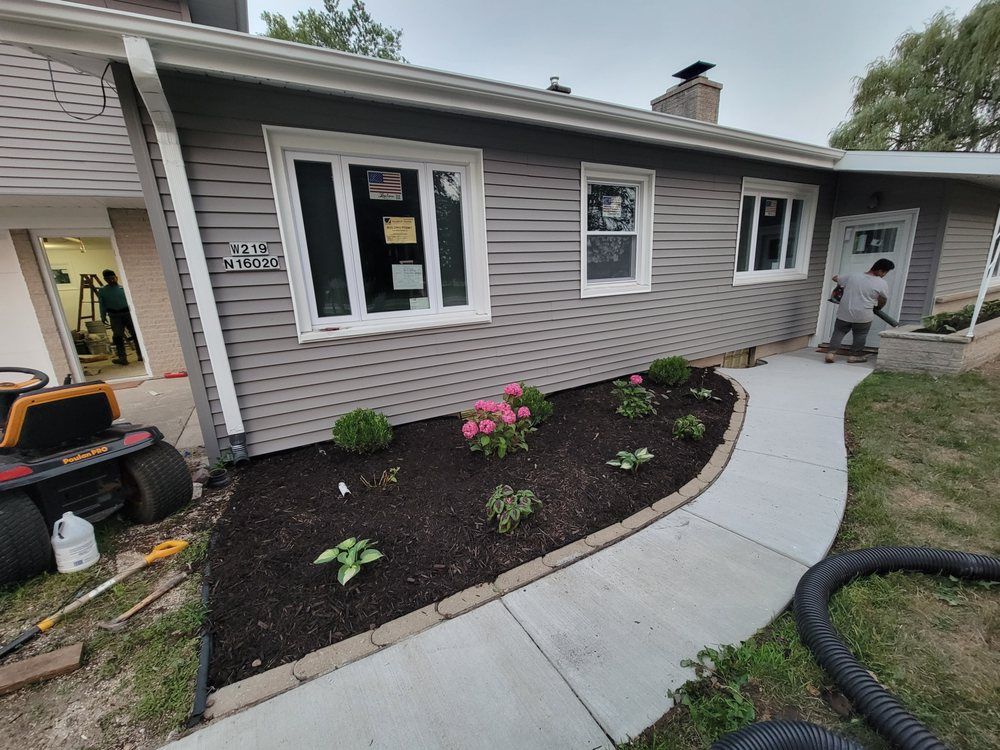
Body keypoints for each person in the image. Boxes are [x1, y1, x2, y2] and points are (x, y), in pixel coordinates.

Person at [826, 258, 895, 364]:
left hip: (845, 312)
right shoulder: (881, 283)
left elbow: (835, 278)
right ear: (880, 270)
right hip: (864, 314)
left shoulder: (853, 276)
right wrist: (878, 307)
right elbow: (882, 299)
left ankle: (830, 353)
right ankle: (854, 356)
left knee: (839, 332)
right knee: (860, 334)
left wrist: (844, 284)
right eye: (885, 272)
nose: (884, 275)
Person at [97, 269, 142, 366]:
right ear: (105, 280)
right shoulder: (103, 291)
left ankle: (141, 354)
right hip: (114, 315)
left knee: (135, 334)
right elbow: (102, 304)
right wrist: (103, 315)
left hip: (127, 313)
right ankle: (122, 358)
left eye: (113, 278)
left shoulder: (123, 288)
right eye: (108, 279)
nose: (111, 280)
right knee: (117, 336)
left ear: (116, 277)